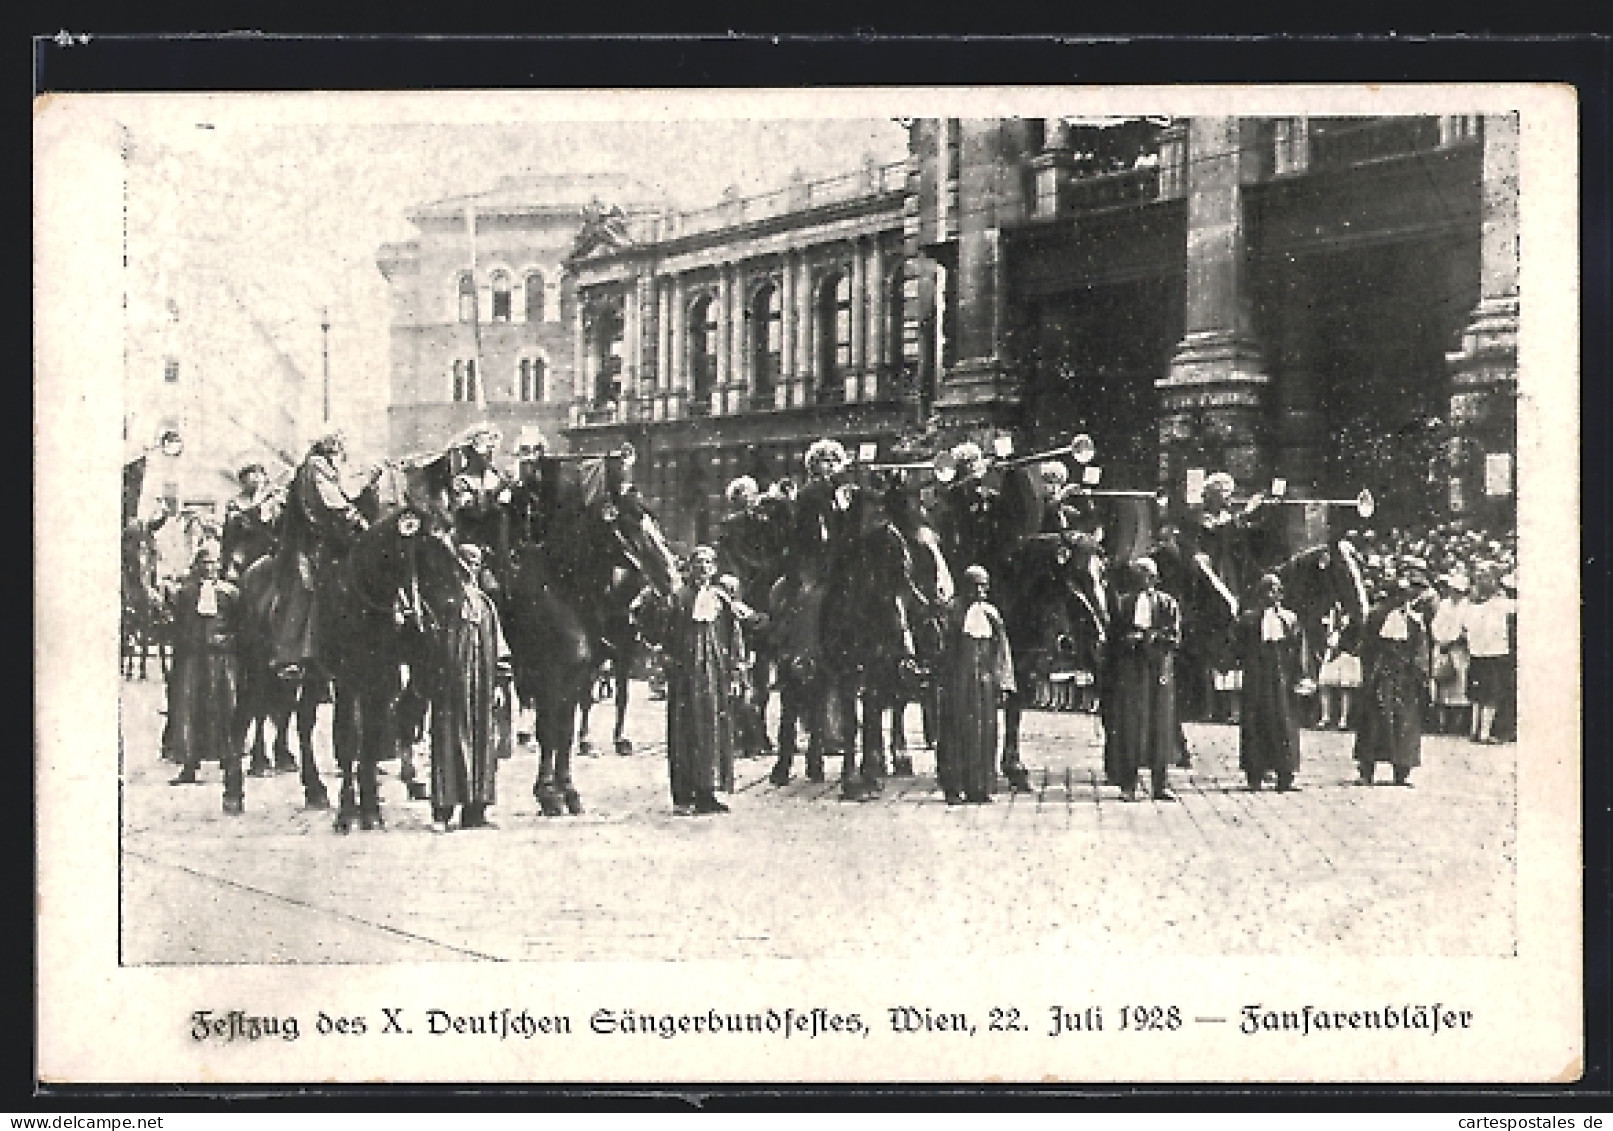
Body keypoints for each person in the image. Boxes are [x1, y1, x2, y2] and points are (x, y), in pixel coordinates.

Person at [647, 546, 746, 815]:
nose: (703, 568)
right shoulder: (678, 599)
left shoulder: (721, 601)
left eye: (708, 563)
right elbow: (663, 636)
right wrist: (665, 665)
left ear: (714, 569)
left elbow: (734, 638)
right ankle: (684, 794)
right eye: (698, 563)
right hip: (685, 677)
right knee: (685, 733)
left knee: (713, 730)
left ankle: (708, 792)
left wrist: (736, 670)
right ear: (690, 568)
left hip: (715, 676)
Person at [428, 543, 513, 833]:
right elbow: (431, 644)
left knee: (482, 742)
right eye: (467, 564)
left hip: (482, 685)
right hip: (451, 686)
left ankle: (476, 810)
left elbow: (499, 647)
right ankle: (443, 811)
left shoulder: (486, 605)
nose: (471, 570)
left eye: (477, 564)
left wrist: (500, 683)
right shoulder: (444, 601)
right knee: (449, 741)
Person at [270, 431, 369, 679]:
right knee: (305, 587)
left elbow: (348, 493)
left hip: (334, 539)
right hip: (309, 542)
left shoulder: (332, 471)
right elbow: (332, 502)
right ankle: (290, 654)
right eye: (336, 450)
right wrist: (356, 519)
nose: (339, 455)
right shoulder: (315, 469)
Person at [167, 543, 247, 814]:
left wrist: (229, 643)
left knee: (226, 711)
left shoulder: (230, 594)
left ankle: (228, 760)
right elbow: (177, 628)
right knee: (191, 711)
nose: (210, 567)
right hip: (194, 660)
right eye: (205, 562)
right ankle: (190, 764)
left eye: (214, 563)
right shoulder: (186, 595)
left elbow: (241, 627)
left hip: (222, 661)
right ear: (197, 565)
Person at [934, 565, 1016, 805]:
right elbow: (942, 647)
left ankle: (979, 787)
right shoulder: (952, 612)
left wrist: (1003, 681)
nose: (980, 591)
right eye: (975, 586)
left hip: (984, 684)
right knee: (955, 733)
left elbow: (1002, 650)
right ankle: (953, 787)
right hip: (957, 683)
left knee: (984, 734)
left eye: (984, 586)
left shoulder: (991, 614)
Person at [1103, 557, 1182, 802]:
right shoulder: (1123, 604)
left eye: (1147, 575)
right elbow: (1112, 636)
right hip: (1131, 670)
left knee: (1160, 725)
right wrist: (1128, 640)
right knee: (1130, 727)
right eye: (1138, 575)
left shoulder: (1168, 604)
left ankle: (1161, 784)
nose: (1143, 580)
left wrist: (1150, 638)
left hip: (1158, 668)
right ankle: (1129, 784)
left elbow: (1174, 637)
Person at [1234, 574, 1312, 792]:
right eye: (1268, 590)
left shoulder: (1289, 619)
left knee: (1284, 725)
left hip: (1283, 680)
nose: (1273, 595)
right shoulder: (1248, 620)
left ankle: (1285, 775)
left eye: (1277, 590)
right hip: (1257, 679)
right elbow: (1238, 647)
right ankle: (1255, 774)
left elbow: (1299, 650)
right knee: (1255, 723)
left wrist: (1301, 676)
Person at [1355, 577, 1429, 786]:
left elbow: (1420, 648)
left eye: (1404, 596)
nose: (1401, 600)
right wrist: (1370, 672)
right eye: (1397, 595)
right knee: (1373, 721)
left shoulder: (1414, 621)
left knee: (1404, 722)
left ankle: (1401, 769)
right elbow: (1366, 646)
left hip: (1404, 676)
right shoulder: (1376, 616)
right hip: (1379, 675)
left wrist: (1419, 672)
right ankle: (1366, 769)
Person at [1463, 565, 1516, 744]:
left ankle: (1474, 730)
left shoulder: (1470, 605)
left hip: (1477, 653)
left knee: (1478, 694)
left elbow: (1465, 627)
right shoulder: (1500, 604)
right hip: (1494, 653)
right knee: (1491, 695)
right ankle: (1484, 733)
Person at [1428, 573, 1473, 735]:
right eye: (1452, 589)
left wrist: (1453, 639)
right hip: (1442, 647)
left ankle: (1457, 724)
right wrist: (1441, 640)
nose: (1454, 593)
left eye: (1458, 590)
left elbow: (1465, 627)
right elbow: (1436, 624)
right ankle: (1442, 723)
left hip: (1459, 649)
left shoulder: (1466, 606)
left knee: (1459, 685)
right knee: (1441, 683)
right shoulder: (1444, 604)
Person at [221, 463, 281, 580]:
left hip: (269, 545)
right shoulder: (236, 502)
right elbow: (234, 526)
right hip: (245, 546)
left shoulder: (273, 500)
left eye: (260, 474)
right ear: (243, 481)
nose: (256, 478)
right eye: (251, 474)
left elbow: (274, 521)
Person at [1316, 603, 1362, 730]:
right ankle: (1325, 716)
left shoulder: (1355, 615)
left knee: (1345, 687)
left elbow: (1359, 634)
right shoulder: (1329, 614)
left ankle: (1343, 719)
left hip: (1347, 653)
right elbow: (1322, 632)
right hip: (1330, 652)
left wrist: (1352, 649)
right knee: (1324, 684)